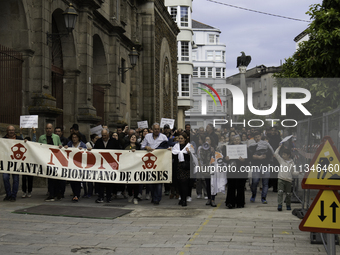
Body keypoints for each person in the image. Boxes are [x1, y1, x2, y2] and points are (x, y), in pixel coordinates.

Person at [141, 122, 169, 205]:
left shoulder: (163, 137)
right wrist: (146, 147)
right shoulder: (147, 136)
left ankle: (158, 198)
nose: (157, 130)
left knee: (159, 181)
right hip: (150, 162)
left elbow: (166, 147)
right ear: (152, 129)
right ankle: (153, 196)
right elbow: (142, 146)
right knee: (150, 182)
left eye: (158, 129)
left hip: (160, 161)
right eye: (155, 129)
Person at [93, 128, 120, 203]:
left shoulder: (114, 141)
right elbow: (94, 151)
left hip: (110, 165)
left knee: (109, 182)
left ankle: (109, 197)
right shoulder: (99, 141)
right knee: (100, 181)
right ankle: (101, 196)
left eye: (105, 135)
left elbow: (119, 151)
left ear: (108, 134)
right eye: (102, 135)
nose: (103, 137)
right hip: (101, 165)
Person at [38, 123, 63, 202]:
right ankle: (51, 194)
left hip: (55, 160)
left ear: (52, 129)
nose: (48, 130)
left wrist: (60, 146)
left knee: (56, 177)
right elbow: (37, 147)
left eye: (50, 128)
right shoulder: (42, 138)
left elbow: (60, 145)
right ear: (45, 129)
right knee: (50, 178)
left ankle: (56, 193)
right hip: (47, 160)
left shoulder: (56, 137)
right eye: (47, 128)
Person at [249, 132, 274, 204]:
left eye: (258, 137)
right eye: (256, 137)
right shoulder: (252, 146)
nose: (257, 138)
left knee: (265, 183)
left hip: (265, 165)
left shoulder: (266, 144)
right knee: (255, 182)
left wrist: (266, 155)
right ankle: (253, 195)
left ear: (261, 137)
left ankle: (264, 198)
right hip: (256, 166)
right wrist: (258, 157)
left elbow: (271, 153)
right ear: (254, 138)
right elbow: (250, 156)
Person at [224, 135, 248, 208]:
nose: (236, 141)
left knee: (240, 187)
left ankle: (240, 203)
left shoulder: (244, 148)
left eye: (238, 140)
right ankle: (230, 202)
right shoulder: (228, 147)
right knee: (231, 186)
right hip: (231, 170)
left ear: (240, 140)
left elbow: (249, 159)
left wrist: (244, 160)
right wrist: (226, 159)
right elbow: (223, 159)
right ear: (232, 140)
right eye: (235, 140)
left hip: (241, 170)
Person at [2, 125, 23, 202]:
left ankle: (13, 195)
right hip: (5, 163)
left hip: (16, 162)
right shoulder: (3, 140)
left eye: (12, 130)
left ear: (14, 131)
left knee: (16, 179)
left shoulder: (19, 139)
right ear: (7, 131)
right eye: (9, 130)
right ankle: (8, 194)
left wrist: (26, 141)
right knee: (5, 178)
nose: (11, 131)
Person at [64, 133, 87, 202]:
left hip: (79, 165)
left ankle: (77, 195)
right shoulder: (70, 144)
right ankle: (74, 193)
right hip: (71, 165)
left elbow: (86, 152)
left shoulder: (82, 145)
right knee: (72, 181)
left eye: (76, 137)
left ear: (78, 138)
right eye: (73, 137)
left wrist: (83, 150)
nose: (74, 139)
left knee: (77, 180)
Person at [172, 132, 192, 206]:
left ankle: (184, 199)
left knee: (184, 184)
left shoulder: (189, 146)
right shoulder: (176, 146)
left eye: (181, 138)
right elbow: (173, 155)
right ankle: (181, 198)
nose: (180, 140)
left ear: (185, 139)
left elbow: (193, 157)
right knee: (179, 184)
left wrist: (189, 152)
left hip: (185, 168)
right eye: (179, 138)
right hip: (178, 167)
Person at [275, 144, 296, 211]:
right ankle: (280, 205)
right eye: (282, 154)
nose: (283, 156)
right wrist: (279, 146)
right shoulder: (281, 161)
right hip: (281, 178)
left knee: (288, 193)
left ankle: (288, 205)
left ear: (288, 155)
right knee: (280, 192)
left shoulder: (292, 163)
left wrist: (299, 173)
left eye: (284, 154)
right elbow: (276, 154)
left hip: (289, 180)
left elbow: (293, 172)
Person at [19, 127, 36, 198]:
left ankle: (29, 191)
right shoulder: (23, 146)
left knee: (30, 179)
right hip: (24, 164)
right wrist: (21, 132)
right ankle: (24, 191)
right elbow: (21, 139)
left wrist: (34, 131)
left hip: (31, 164)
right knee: (24, 178)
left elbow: (34, 139)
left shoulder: (32, 145)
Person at [125, 134, 141, 204]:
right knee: (129, 183)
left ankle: (135, 197)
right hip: (128, 166)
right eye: (132, 137)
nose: (133, 138)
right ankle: (130, 195)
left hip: (136, 166)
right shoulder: (126, 146)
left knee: (136, 183)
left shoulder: (139, 146)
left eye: (134, 137)